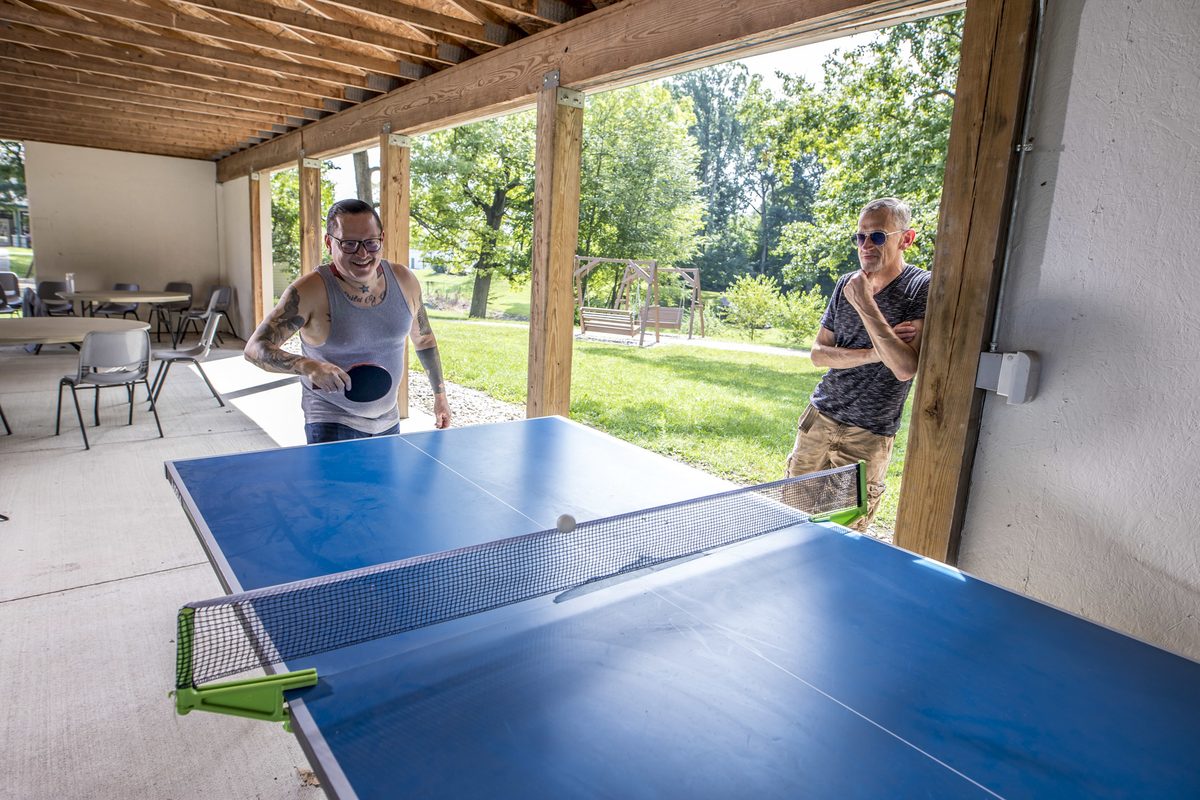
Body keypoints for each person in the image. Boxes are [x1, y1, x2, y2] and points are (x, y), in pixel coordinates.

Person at [245, 198, 451, 443]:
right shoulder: (310, 291)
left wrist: (440, 396)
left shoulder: (405, 281)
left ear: (381, 239)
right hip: (331, 421)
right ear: (329, 242)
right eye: (349, 244)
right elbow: (255, 348)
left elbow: (424, 339)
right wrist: (308, 366)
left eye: (371, 243)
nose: (363, 254)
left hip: (388, 419)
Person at [786, 197, 930, 531]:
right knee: (790, 523)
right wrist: (876, 351)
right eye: (860, 237)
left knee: (841, 537)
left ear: (905, 239)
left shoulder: (919, 288)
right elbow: (818, 354)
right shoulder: (845, 283)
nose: (866, 245)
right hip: (818, 419)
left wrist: (865, 304)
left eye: (877, 236)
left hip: (867, 435)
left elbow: (905, 367)